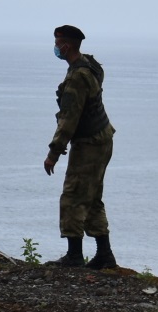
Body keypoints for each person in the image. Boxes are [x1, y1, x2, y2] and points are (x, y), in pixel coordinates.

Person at [43, 25, 117, 269]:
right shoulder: (89, 66)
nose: (55, 48)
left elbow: (69, 120)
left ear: (67, 46)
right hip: (102, 138)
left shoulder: (77, 77)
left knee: (73, 195)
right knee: (93, 197)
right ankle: (104, 255)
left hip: (90, 143)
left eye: (58, 43)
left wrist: (53, 153)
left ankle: (74, 255)